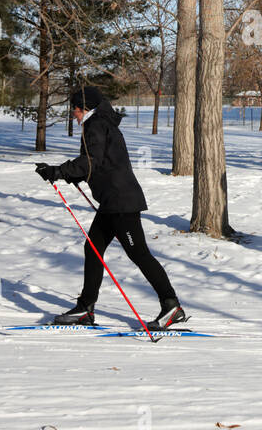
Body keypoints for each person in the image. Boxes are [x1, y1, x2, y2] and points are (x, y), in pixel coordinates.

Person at [35, 87, 186, 328]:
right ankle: (85, 308)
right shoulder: (101, 123)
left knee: (139, 253)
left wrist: (59, 171)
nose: (73, 113)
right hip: (111, 201)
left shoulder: (95, 125)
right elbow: (102, 162)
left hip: (121, 202)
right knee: (93, 248)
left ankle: (171, 306)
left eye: (75, 108)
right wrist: (74, 175)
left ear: (84, 108)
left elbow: (90, 161)